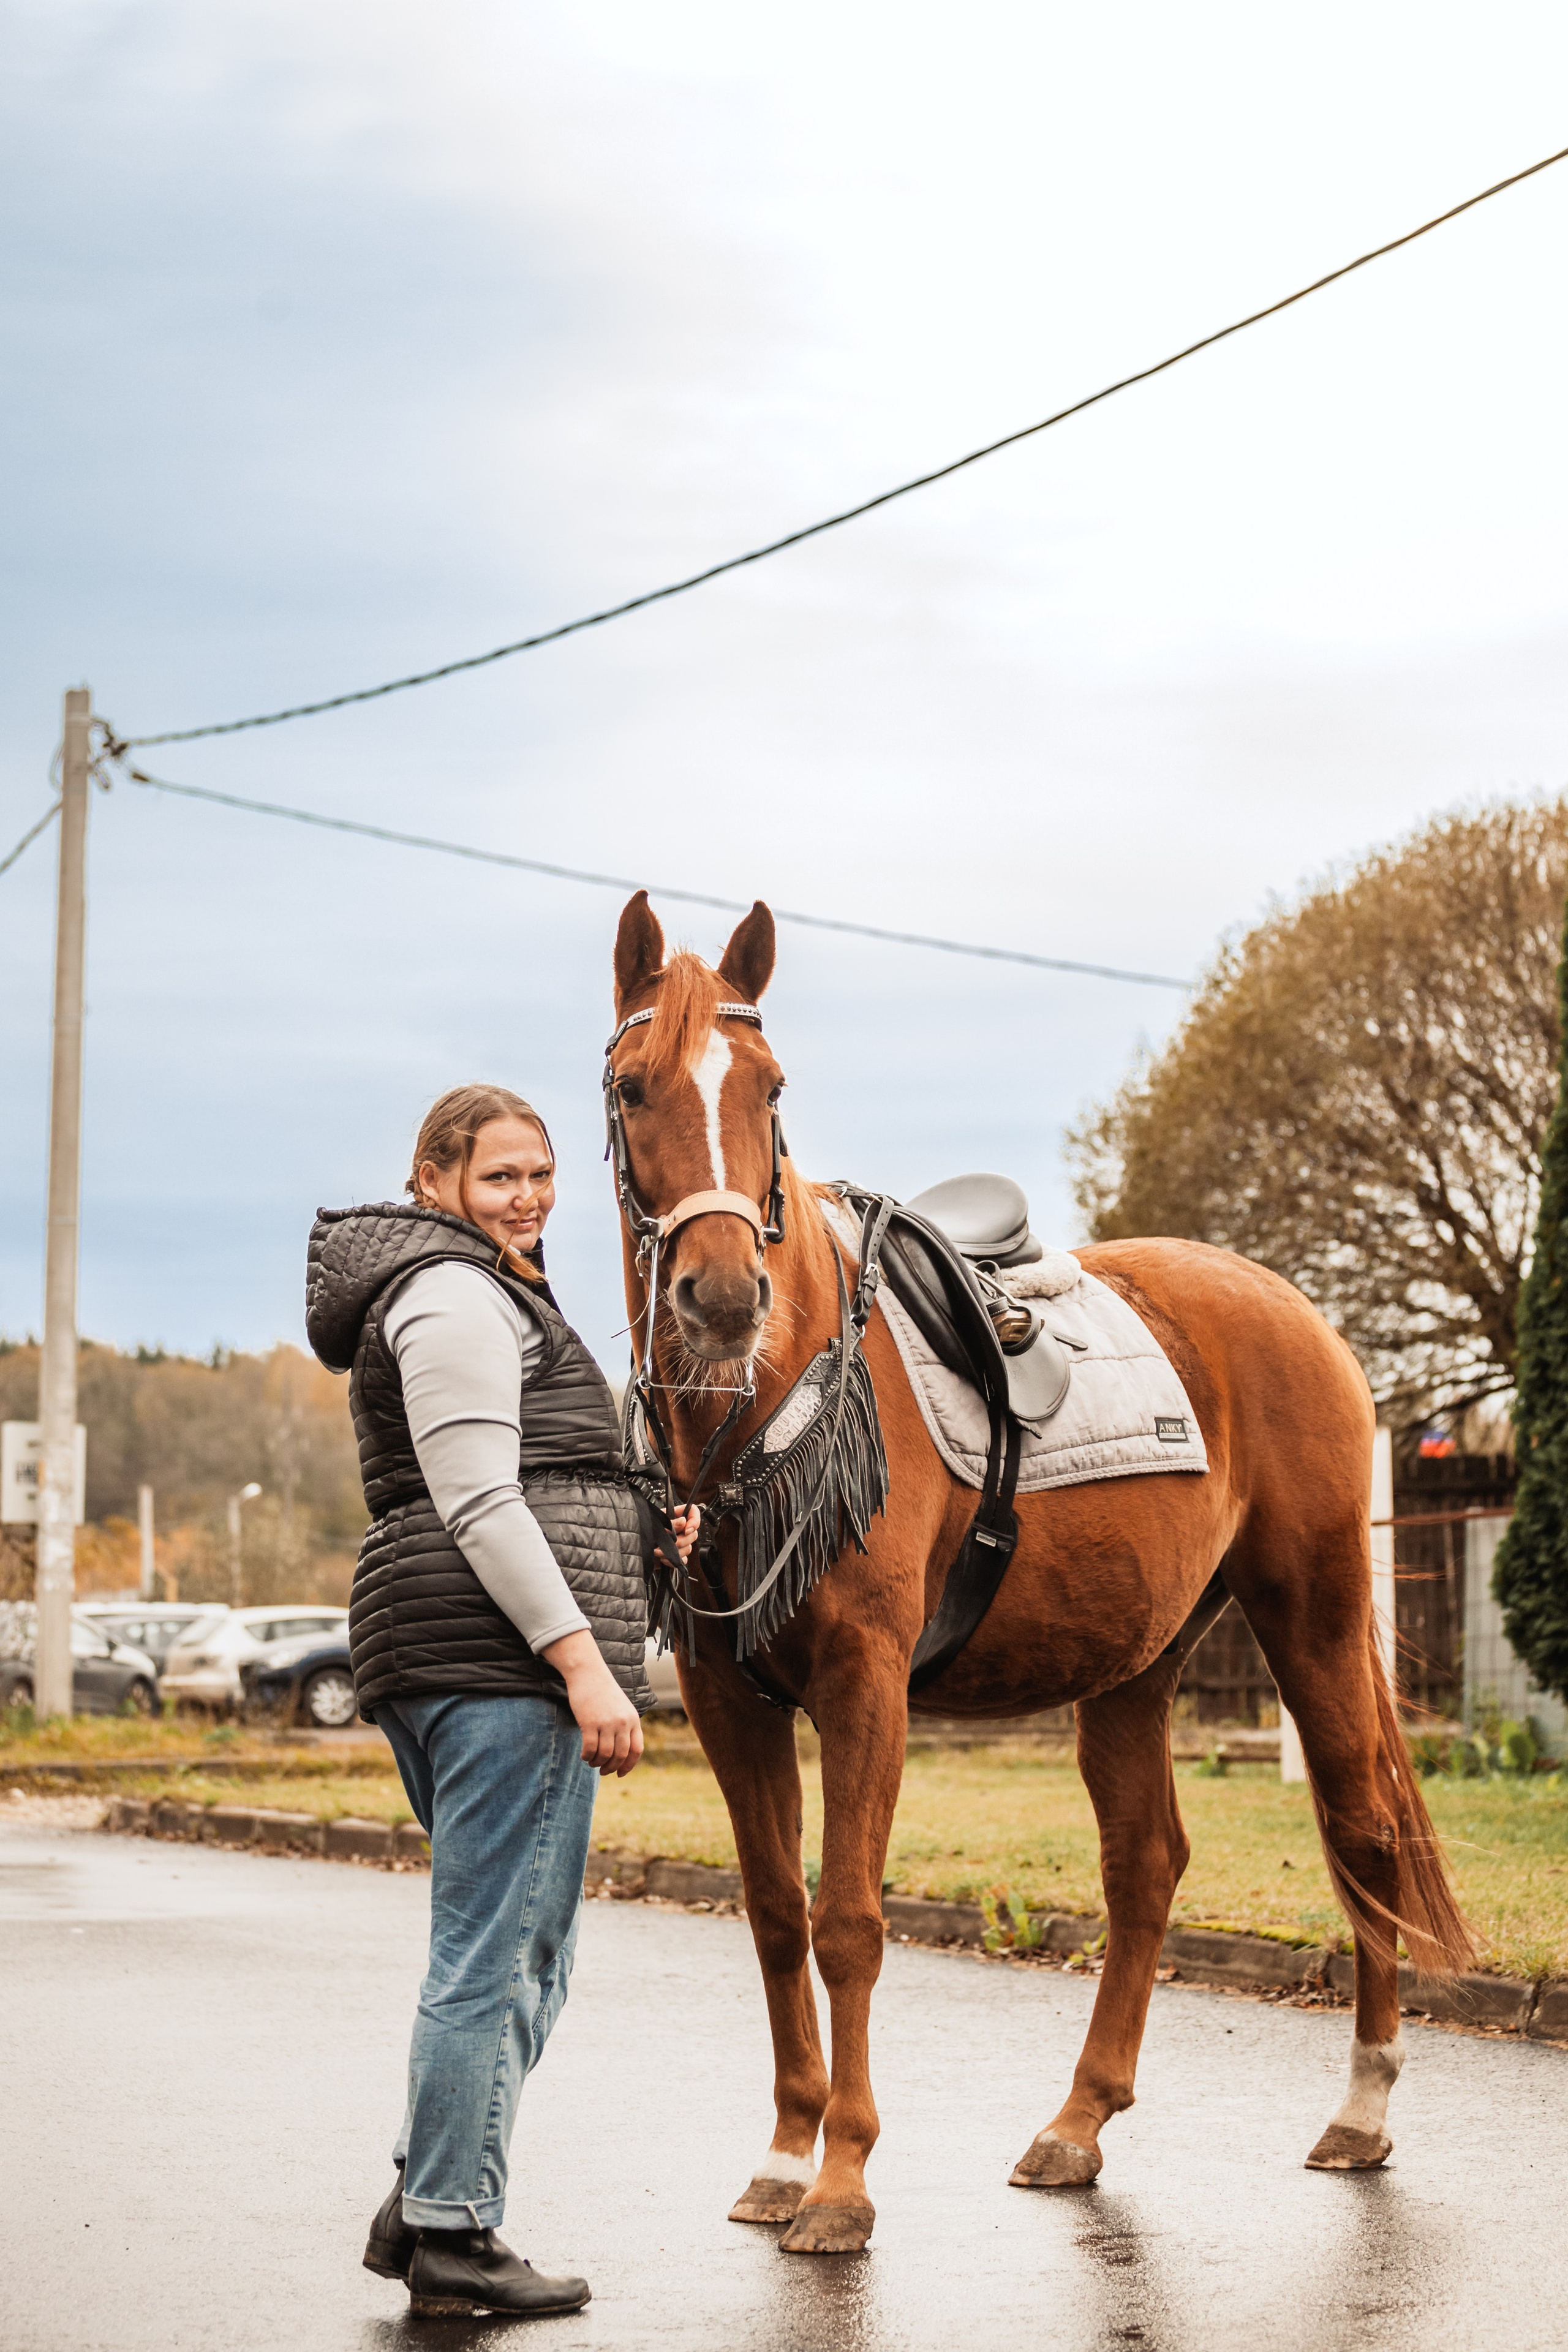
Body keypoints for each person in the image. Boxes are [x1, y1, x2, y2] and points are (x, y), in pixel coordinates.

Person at [306, 1083, 697, 2321]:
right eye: (497, 1179)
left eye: (538, 1175)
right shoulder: (453, 1294)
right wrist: (583, 1661)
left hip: (466, 1655)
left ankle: (432, 2186)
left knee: (521, 1948)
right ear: (434, 1183)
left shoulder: (480, 1285)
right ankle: (453, 2230)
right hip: (496, 1668)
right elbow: (478, 1497)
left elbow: (537, 1476)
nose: (526, 1199)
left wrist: (643, 1525)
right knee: (497, 1953)